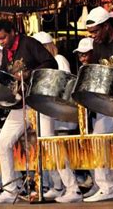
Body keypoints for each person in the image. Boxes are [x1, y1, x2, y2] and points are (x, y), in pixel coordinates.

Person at [0, 19, 58, 203]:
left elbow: (51, 63)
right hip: (21, 104)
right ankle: (10, 190)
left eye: (3, 38)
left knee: (48, 143)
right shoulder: (5, 52)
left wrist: (27, 74)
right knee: (3, 142)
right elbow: (5, 75)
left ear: (12, 32)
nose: (1, 42)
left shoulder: (29, 43)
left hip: (40, 100)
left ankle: (69, 187)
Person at [83, 6, 113, 202]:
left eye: (95, 32)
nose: (93, 37)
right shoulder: (99, 45)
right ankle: (108, 186)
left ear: (107, 26)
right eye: (90, 33)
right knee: (98, 137)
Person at [32, 32, 82, 203]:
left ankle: (72, 187)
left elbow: (64, 84)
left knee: (53, 147)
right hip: (45, 108)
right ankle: (58, 186)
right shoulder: (43, 62)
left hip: (56, 110)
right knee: (47, 147)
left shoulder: (59, 59)